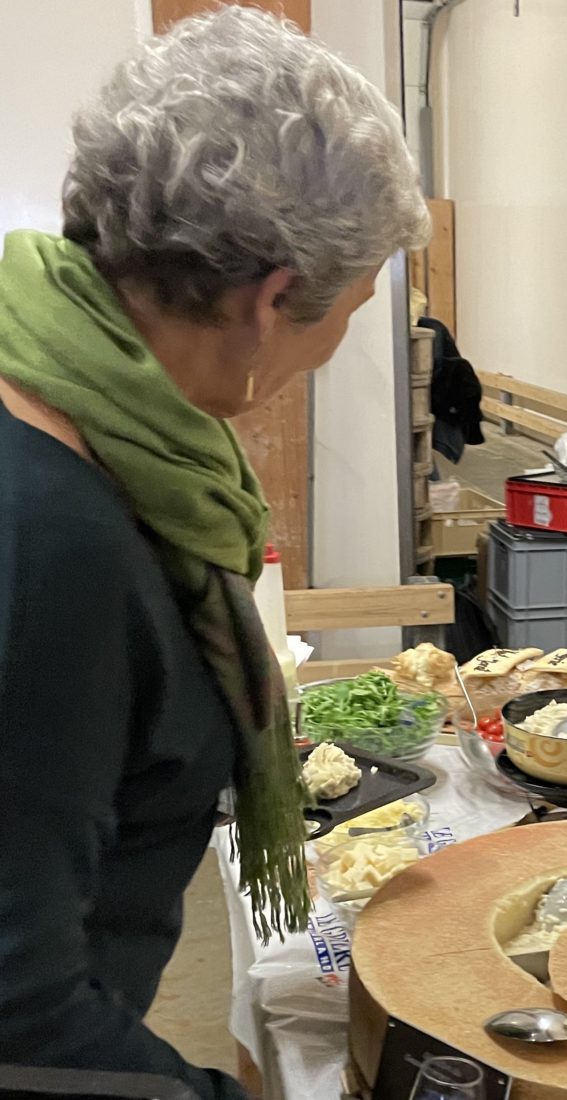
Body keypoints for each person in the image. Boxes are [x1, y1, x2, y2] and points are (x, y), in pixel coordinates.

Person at [0, 9, 429, 1098]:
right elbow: (19, 1012)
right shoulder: (52, 539)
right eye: (354, 307)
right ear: (276, 296)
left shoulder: (69, 405)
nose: (337, 349)